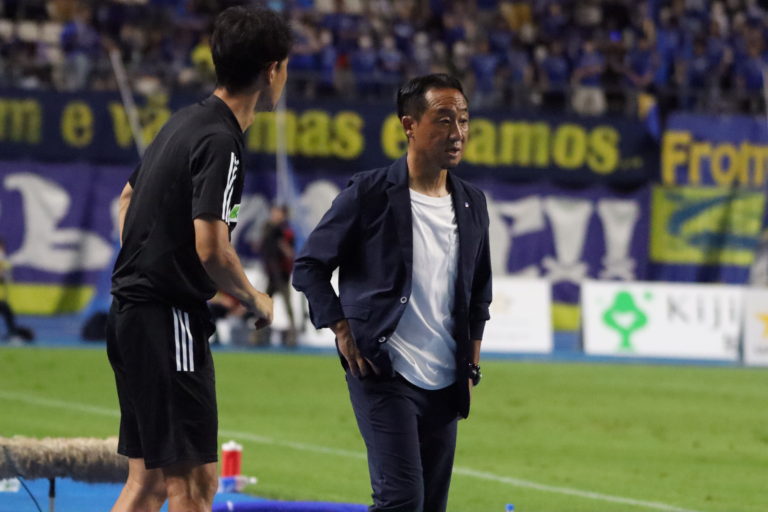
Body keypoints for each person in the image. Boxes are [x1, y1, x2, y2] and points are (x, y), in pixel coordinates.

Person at [106, 7, 291, 512]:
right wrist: (253, 297)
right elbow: (212, 248)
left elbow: (127, 198)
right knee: (194, 486)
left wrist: (145, 261)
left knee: (146, 483)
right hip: (168, 319)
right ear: (272, 69)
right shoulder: (222, 140)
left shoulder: (184, 121)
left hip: (130, 314)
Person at [293, 74, 492, 512]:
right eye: (444, 120)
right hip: (383, 372)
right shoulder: (369, 192)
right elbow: (309, 266)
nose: (458, 133)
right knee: (401, 501)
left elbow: (480, 294)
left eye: (463, 120)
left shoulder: (472, 202)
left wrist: (471, 365)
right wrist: (343, 332)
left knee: (430, 506)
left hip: (446, 381)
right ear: (409, 125)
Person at [259, 204, 297, 347]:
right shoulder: (269, 229)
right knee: (264, 305)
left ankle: (292, 335)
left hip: (282, 274)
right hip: (271, 273)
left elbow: (289, 252)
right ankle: (259, 334)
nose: (274, 215)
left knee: (287, 306)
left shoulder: (286, 231)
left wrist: (283, 246)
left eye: (277, 213)